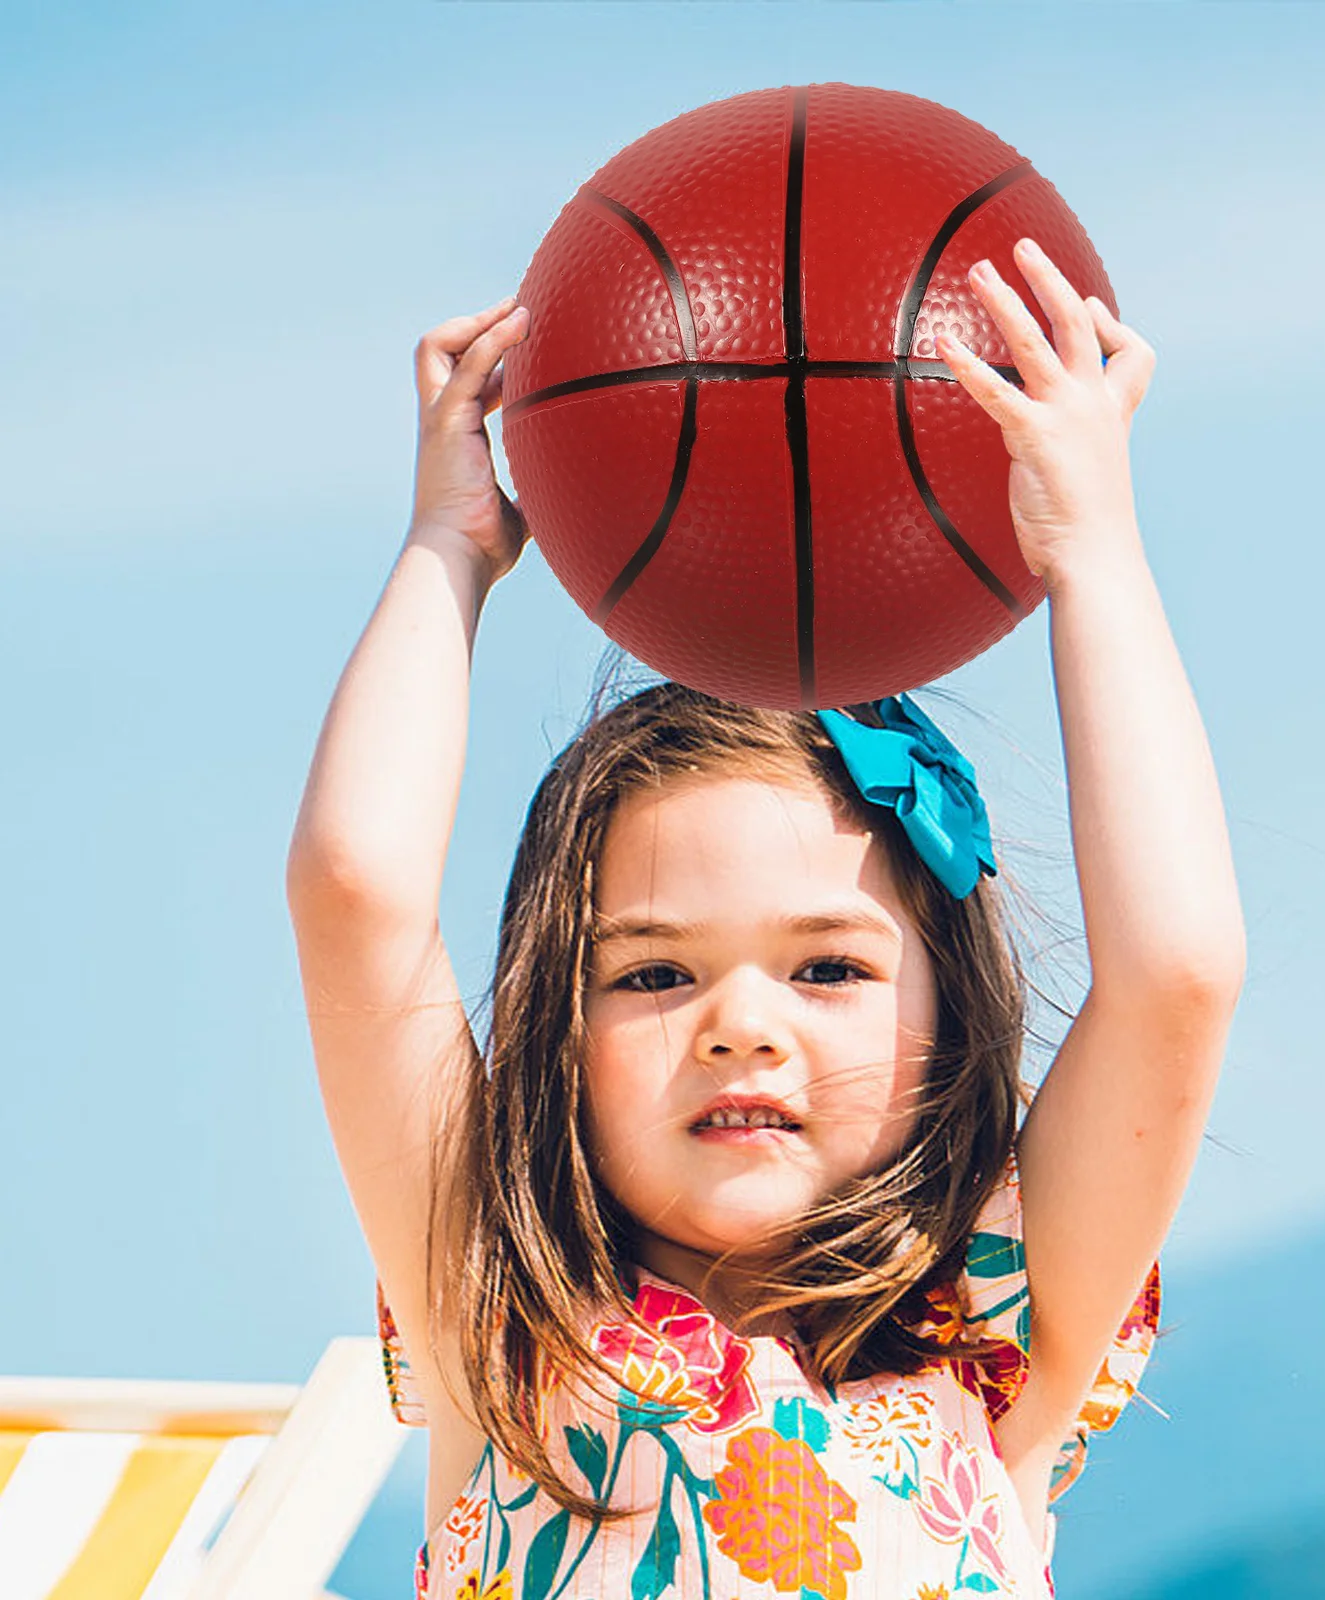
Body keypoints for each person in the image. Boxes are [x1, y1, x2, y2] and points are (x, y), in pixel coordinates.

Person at [287, 238, 1246, 1600]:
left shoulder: (995, 1342)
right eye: (655, 972)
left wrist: (1093, 554)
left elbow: (1179, 972)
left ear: (947, 1018)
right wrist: (450, 544)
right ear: (557, 1026)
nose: (742, 1026)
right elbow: (355, 892)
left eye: (829, 967)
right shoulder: (499, 1321)